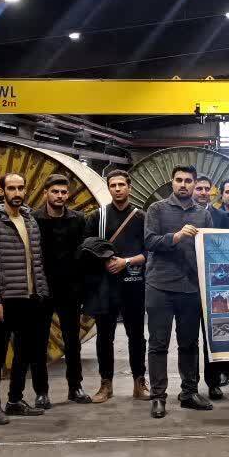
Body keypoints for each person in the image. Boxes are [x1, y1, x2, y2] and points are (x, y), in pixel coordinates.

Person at [144, 165, 215, 418]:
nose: (183, 184)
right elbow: (149, 241)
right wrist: (176, 237)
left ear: (195, 184)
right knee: (158, 344)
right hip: (160, 286)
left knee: (189, 344)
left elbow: (211, 248)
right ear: (172, 182)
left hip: (191, 288)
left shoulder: (203, 214)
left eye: (188, 181)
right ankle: (158, 397)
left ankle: (188, 393)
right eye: (179, 180)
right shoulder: (157, 209)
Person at [0, 172, 52, 423]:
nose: (17, 193)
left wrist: (41, 292)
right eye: (11, 188)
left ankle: (14, 400)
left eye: (21, 188)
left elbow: (37, 261)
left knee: (24, 353)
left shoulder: (30, 220)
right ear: (3, 191)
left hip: (30, 297)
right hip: (5, 299)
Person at [84, 170, 149, 404]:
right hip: (106, 287)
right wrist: (103, 261)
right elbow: (86, 249)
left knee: (136, 336)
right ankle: (106, 384)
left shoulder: (141, 217)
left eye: (122, 184)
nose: (118, 189)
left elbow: (149, 251)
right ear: (109, 188)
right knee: (104, 337)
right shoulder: (97, 217)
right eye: (113, 185)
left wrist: (126, 262)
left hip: (134, 285)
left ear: (129, 187)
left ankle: (139, 382)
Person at [31, 174, 91, 405]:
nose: (59, 196)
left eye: (63, 192)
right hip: (42, 289)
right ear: (45, 193)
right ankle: (41, 392)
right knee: (39, 341)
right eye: (55, 192)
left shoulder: (78, 219)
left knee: (72, 341)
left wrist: (82, 289)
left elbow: (83, 254)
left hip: (70, 290)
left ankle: (75, 387)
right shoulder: (34, 219)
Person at [193, 175, 229, 398]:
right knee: (189, 338)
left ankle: (214, 382)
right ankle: (190, 385)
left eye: (206, 189)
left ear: (212, 192)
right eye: (198, 188)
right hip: (189, 283)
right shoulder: (184, 216)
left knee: (216, 335)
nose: (202, 192)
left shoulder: (222, 217)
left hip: (217, 284)